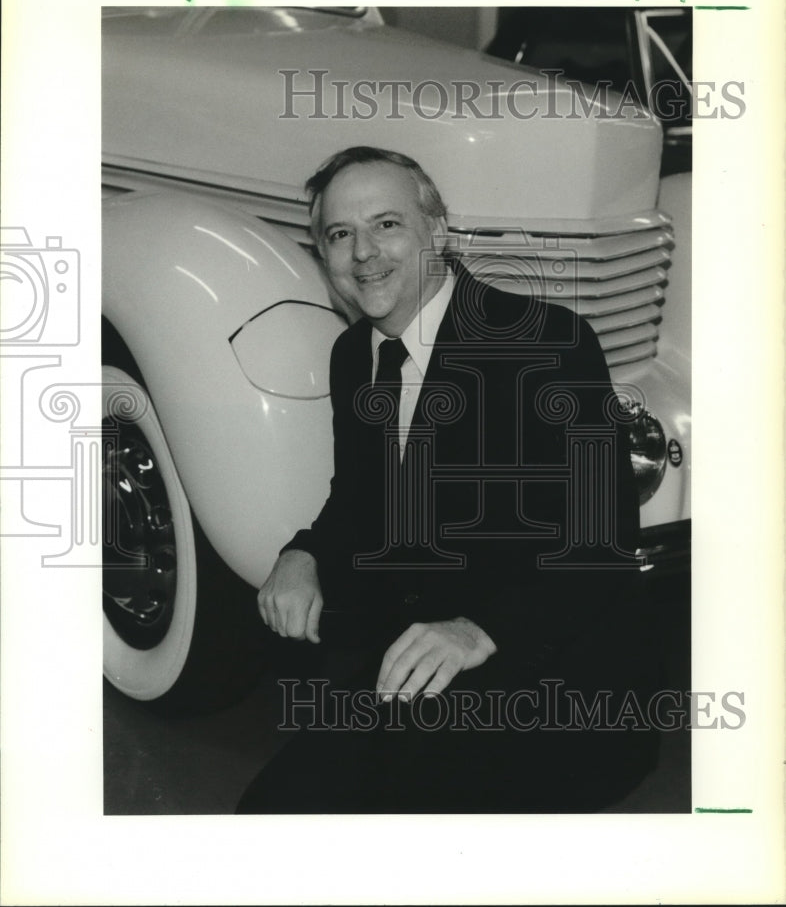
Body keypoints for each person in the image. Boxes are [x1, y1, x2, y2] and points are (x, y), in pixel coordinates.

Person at [236, 146, 660, 814]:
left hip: (553, 675)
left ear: (437, 231)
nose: (363, 254)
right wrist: (304, 552)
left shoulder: (544, 342)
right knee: (271, 820)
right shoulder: (356, 355)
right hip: (420, 666)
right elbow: (360, 498)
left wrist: (476, 628)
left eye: (386, 225)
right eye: (339, 235)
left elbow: (602, 537)